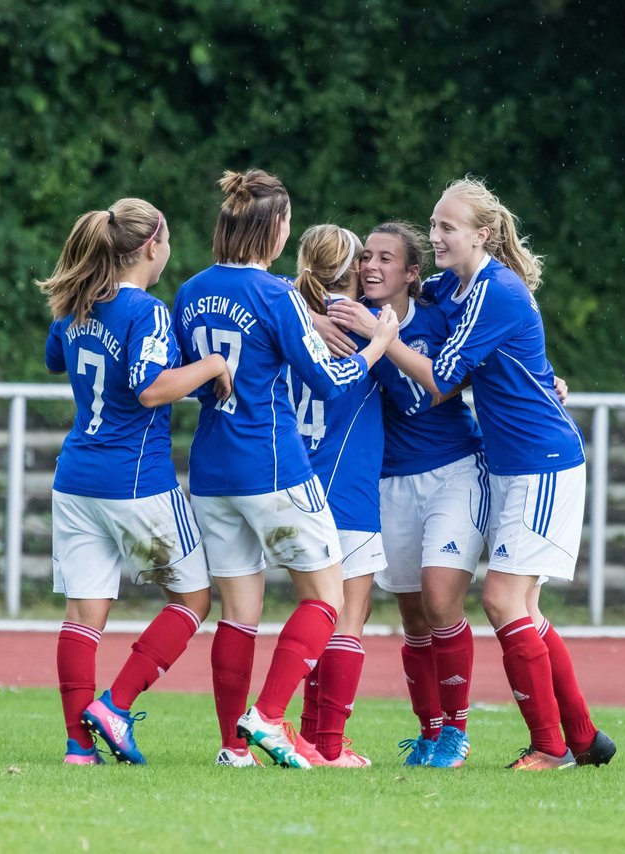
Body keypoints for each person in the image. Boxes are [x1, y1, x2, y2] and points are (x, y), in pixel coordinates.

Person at [332, 179, 616, 770]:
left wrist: (376, 337)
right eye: (433, 226)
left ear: (481, 235)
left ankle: (549, 747)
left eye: (447, 228)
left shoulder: (494, 290)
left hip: (541, 460)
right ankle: (583, 737)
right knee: (525, 611)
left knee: (503, 601)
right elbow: (420, 301)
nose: (435, 237)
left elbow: (439, 380)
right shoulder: (452, 286)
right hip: (509, 462)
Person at [172, 170, 398, 769]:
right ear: (273, 228)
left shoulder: (190, 290)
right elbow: (330, 377)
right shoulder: (277, 296)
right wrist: (376, 347)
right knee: (326, 598)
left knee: (239, 612)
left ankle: (232, 748)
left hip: (212, 471)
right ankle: (269, 716)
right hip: (271, 466)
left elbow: (185, 373)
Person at [37, 197, 232, 766]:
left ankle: (78, 747)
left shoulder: (75, 304)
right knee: (192, 599)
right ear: (154, 246)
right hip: (135, 481)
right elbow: (151, 388)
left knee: (82, 615)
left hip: (75, 480)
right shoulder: (146, 310)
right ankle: (116, 706)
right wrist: (214, 365)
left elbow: (57, 358)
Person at [287, 224, 385, 767]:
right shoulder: (361, 325)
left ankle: (304, 738)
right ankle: (328, 744)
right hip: (345, 486)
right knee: (348, 617)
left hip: (295, 482)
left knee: (314, 613)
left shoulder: (290, 312)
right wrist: (383, 338)